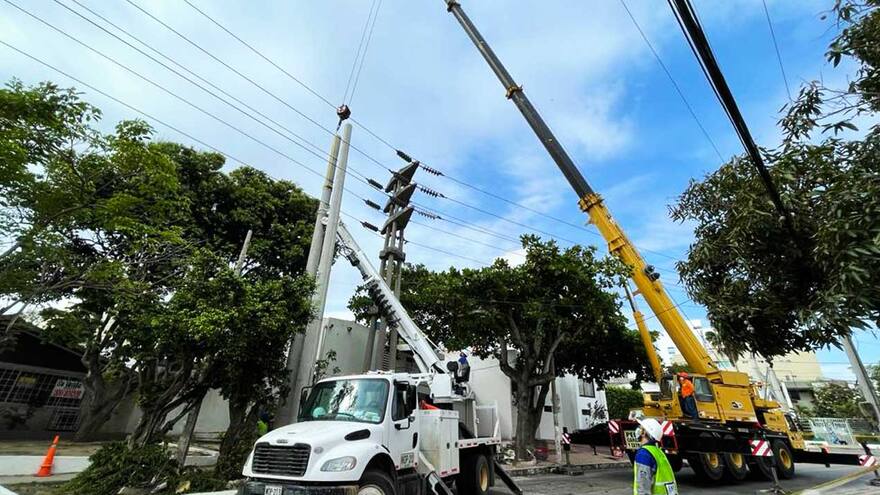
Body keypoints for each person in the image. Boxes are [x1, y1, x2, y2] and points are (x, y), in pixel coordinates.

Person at [633, 418, 678, 495]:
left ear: (644, 433)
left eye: (640, 428)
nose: (638, 430)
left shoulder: (644, 454)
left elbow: (643, 486)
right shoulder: (658, 451)